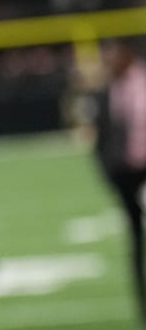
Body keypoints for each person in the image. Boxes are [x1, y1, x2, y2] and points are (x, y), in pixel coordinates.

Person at [96, 38, 146, 325]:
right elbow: (101, 141)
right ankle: (143, 306)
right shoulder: (107, 91)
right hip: (126, 177)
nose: (109, 61)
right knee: (136, 243)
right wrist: (110, 174)